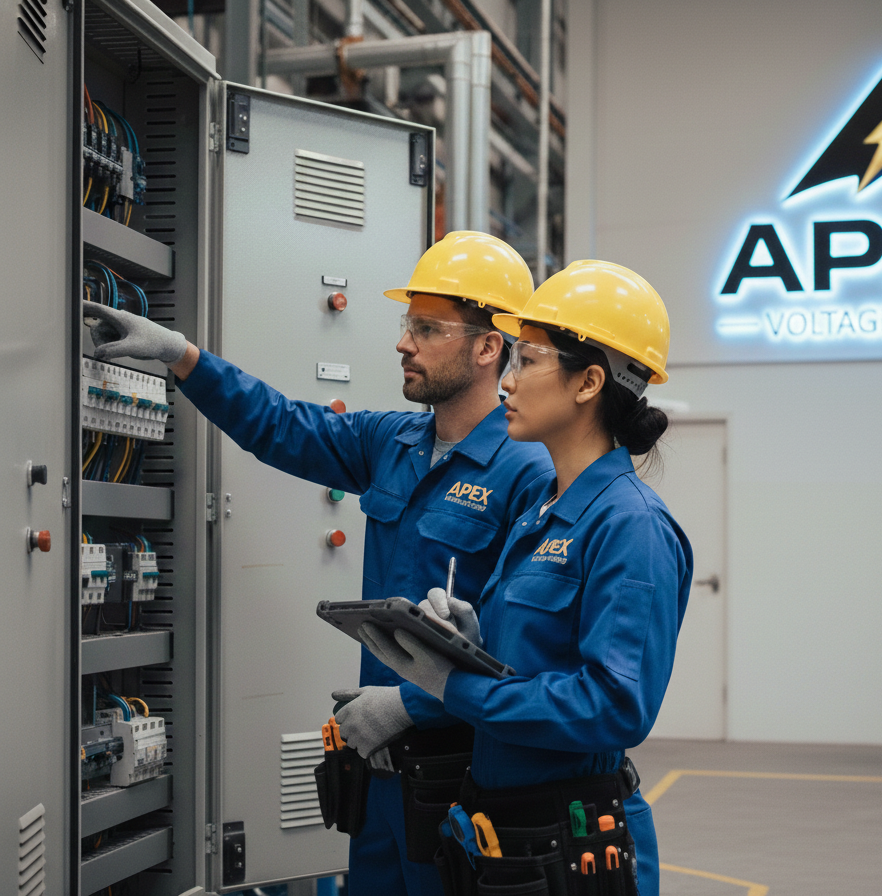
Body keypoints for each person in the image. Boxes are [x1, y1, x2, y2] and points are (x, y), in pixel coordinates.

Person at [81, 231, 553, 896]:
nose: (402, 342)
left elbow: (523, 643)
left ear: (487, 347)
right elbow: (279, 423)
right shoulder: (392, 442)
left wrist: (414, 706)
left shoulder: (528, 472)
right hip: (379, 765)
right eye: (405, 323)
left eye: (426, 328)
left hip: (461, 778)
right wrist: (179, 355)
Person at [360, 259, 693, 896]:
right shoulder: (542, 514)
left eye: (529, 361)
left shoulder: (631, 526)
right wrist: (471, 643)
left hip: (573, 845)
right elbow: (541, 656)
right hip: (504, 836)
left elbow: (614, 706)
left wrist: (454, 686)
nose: (506, 382)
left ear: (588, 382)